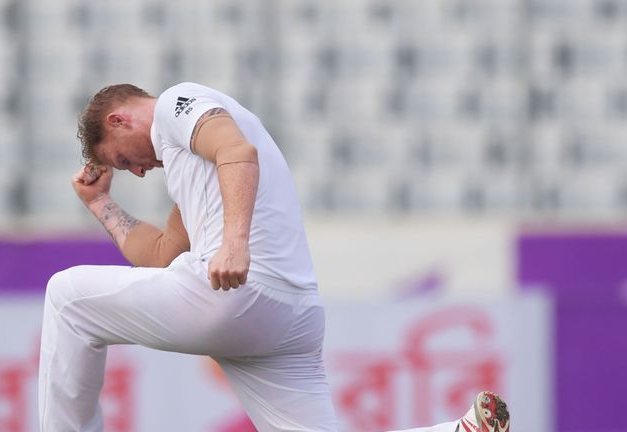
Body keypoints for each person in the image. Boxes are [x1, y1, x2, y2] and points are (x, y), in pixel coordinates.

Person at [37, 82, 510, 432]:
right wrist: (101, 204)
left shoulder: (178, 104)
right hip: (293, 317)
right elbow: (161, 254)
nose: (137, 172)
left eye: (122, 161)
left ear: (120, 121)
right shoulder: (190, 166)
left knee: (66, 297)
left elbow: (235, 151)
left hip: (235, 291)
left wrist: (235, 243)